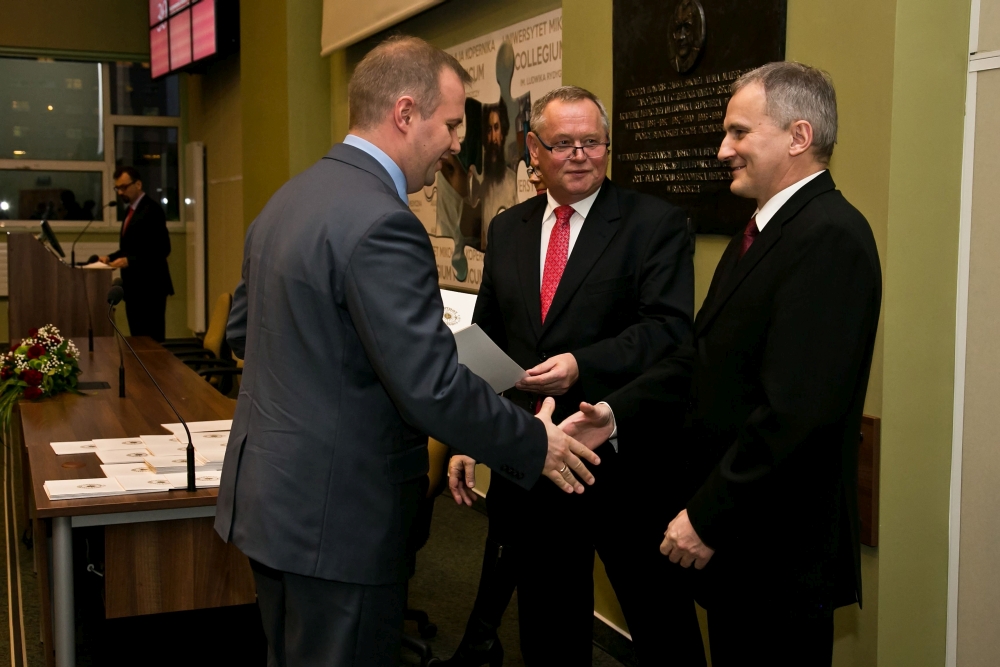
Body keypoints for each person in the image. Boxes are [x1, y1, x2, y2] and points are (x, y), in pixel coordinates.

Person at [213, 36, 599, 667]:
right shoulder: (384, 222)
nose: (456, 143)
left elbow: (242, 334)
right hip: (342, 519)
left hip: (272, 503)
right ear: (404, 113)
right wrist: (538, 443)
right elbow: (431, 387)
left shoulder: (289, 199)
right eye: (450, 124)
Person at [562, 62, 882, 666]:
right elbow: (701, 355)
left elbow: (796, 414)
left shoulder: (831, 237)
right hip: (744, 546)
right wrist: (614, 412)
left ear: (798, 136)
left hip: (778, 552)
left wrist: (707, 518)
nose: (722, 150)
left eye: (739, 132)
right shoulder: (761, 231)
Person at [444, 86, 704, 666]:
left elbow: (668, 331)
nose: (581, 155)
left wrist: (583, 366)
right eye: (564, 144)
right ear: (533, 149)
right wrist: (470, 436)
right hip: (535, 461)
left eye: (593, 142)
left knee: (662, 626)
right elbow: (487, 339)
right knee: (550, 626)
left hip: (623, 464)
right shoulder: (508, 228)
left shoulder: (653, 224)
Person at [99, 166, 173, 341]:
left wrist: (129, 261)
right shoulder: (131, 210)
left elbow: (162, 249)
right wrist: (110, 258)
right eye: (117, 188)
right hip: (134, 287)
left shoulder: (152, 209)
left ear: (138, 184)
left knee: (150, 342)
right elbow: (130, 248)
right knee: (138, 339)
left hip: (150, 287)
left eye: (124, 187)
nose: (120, 192)